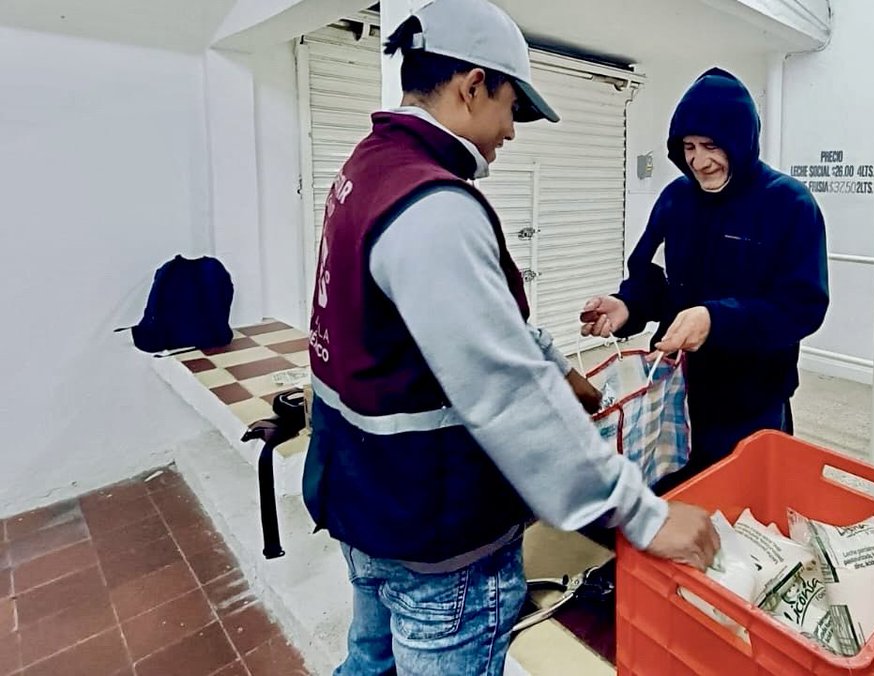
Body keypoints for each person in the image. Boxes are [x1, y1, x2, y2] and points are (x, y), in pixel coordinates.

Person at [301, 1, 718, 674]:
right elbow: (507, 397)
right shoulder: (434, 207)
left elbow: (472, 322)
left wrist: (555, 367)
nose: (511, 134)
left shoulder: (368, 170)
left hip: (365, 499)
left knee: (368, 664)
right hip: (437, 533)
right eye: (510, 109)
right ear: (471, 85)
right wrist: (643, 514)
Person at [581, 67, 830, 491]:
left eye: (712, 146)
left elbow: (801, 307)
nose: (699, 160)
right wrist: (627, 306)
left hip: (752, 401)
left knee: (742, 515)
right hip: (673, 393)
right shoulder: (676, 199)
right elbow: (652, 277)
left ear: (741, 142)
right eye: (689, 147)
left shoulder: (789, 205)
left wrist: (716, 320)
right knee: (673, 507)